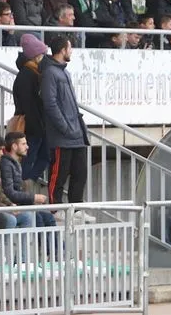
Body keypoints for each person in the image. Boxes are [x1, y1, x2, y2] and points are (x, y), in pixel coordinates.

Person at [41, 35, 94, 222]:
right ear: (63, 50)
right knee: (59, 173)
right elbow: (50, 104)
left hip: (76, 134)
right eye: (69, 48)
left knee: (80, 173)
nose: (71, 51)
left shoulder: (64, 72)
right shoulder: (50, 73)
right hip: (62, 136)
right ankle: (55, 209)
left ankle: (77, 208)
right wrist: (64, 127)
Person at [11, 34, 50, 188]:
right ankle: (23, 185)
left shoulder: (33, 73)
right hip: (32, 126)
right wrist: (39, 127)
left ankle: (27, 182)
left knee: (43, 157)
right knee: (29, 158)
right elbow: (29, 105)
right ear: (35, 56)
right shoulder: (27, 76)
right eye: (42, 55)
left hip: (38, 125)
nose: (44, 58)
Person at [0, 132, 57, 227]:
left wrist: (32, 199)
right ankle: (41, 242)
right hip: (12, 206)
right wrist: (33, 197)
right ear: (14, 146)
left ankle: (57, 243)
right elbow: (9, 192)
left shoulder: (15, 163)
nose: (27, 147)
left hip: (20, 205)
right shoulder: (6, 164)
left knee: (49, 218)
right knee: (37, 218)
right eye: (23, 144)